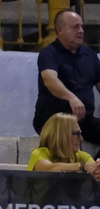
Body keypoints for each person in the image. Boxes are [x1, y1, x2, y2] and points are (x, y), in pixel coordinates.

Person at [36, 9, 100, 145]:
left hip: (84, 121)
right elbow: (50, 79)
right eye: (75, 27)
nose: (81, 30)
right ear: (60, 30)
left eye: (82, 26)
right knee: (69, 138)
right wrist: (71, 98)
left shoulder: (90, 56)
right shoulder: (49, 54)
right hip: (54, 120)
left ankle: (95, 165)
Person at [29, 112, 100, 179]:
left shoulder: (82, 156)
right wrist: (82, 166)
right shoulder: (40, 153)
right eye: (77, 134)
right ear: (61, 136)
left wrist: (97, 168)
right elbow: (50, 168)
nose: (81, 139)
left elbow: (94, 168)